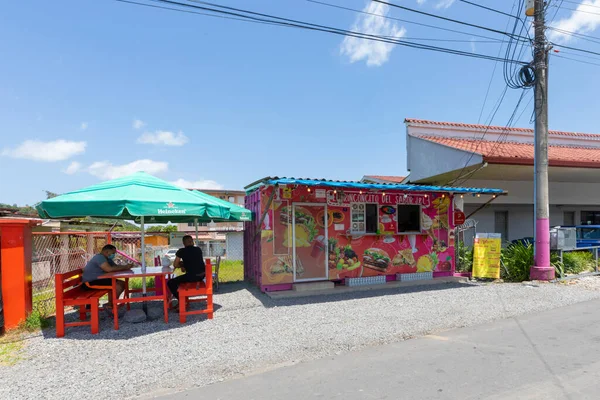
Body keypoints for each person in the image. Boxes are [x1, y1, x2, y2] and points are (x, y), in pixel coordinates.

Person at [82, 244, 133, 310]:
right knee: (119, 285)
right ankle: (111, 305)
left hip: (98, 279)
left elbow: (115, 267)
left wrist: (126, 267)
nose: (113, 255)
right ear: (107, 252)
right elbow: (108, 269)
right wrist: (126, 267)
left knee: (122, 283)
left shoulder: (107, 259)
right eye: (113, 253)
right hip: (90, 282)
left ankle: (110, 304)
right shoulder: (99, 257)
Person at [168, 235, 206, 308]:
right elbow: (193, 261)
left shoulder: (181, 251)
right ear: (192, 242)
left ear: (184, 243)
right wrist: (183, 265)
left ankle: (182, 300)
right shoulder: (198, 249)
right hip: (201, 276)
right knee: (182, 279)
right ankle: (183, 298)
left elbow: (175, 264)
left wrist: (181, 265)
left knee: (171, 282)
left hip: (191, 277)